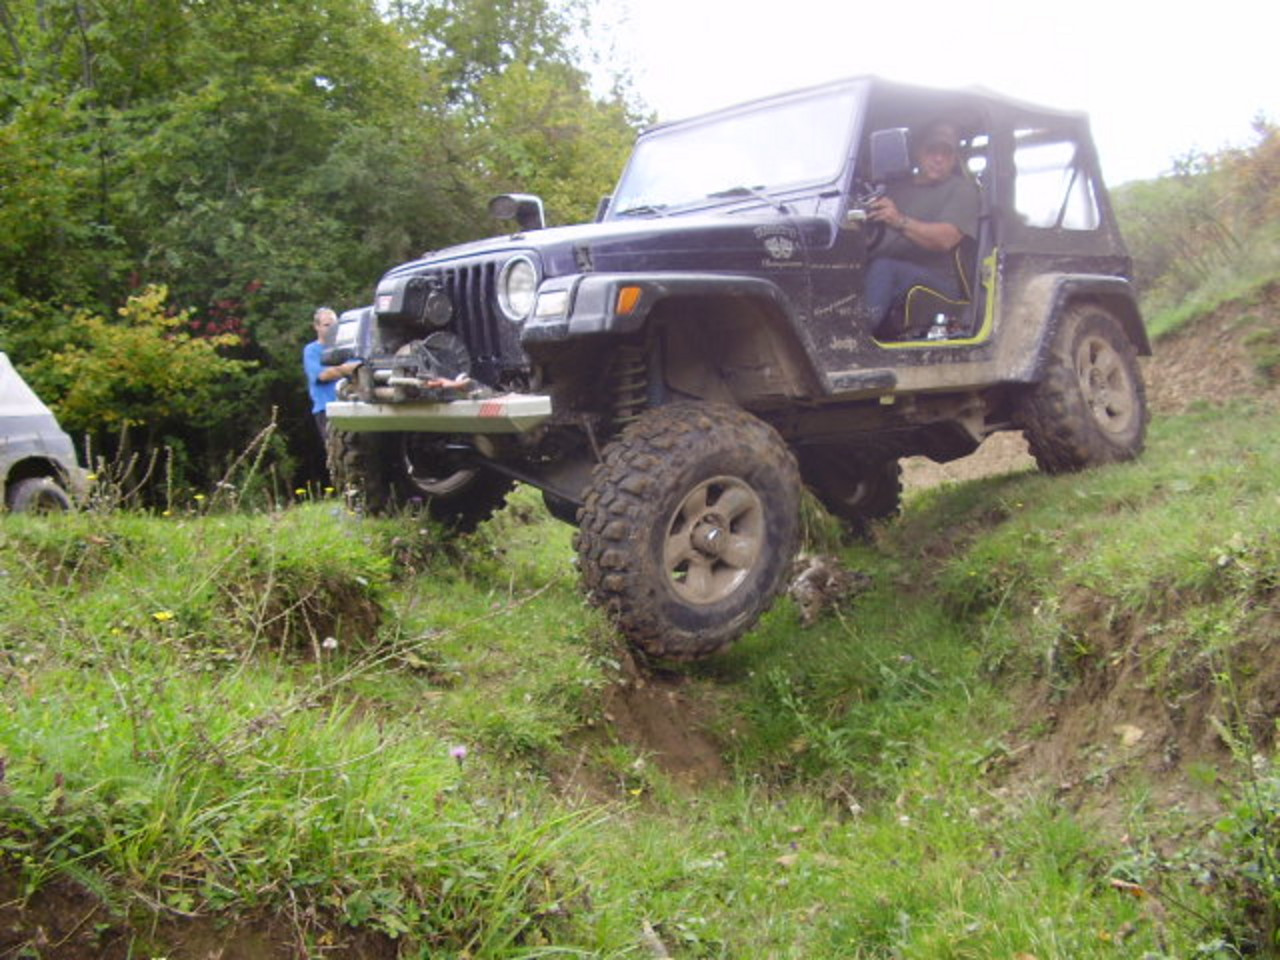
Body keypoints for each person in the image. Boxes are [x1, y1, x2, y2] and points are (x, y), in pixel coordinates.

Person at [865, 120, 980, 336]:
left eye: (946, 153)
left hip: (940, 282)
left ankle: (857, 335)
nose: (939, 158)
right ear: (918, 152)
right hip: (886, 272)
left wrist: (899, 221)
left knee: (884, 268)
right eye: (932, 150)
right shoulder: (893, 189)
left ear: (954, 158)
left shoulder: (962, 190)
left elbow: (945, 239)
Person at [303, 307, 361, 443]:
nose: (332, 328)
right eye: (327, 325)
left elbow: (361, 367)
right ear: (316, 326)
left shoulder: (348, 348)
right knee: (335, 449)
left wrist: (341, 370)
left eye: (335, 324)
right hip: (327, 410)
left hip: (351, 407)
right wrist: (347, 369)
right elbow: (323, 375)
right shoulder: (311, 351)